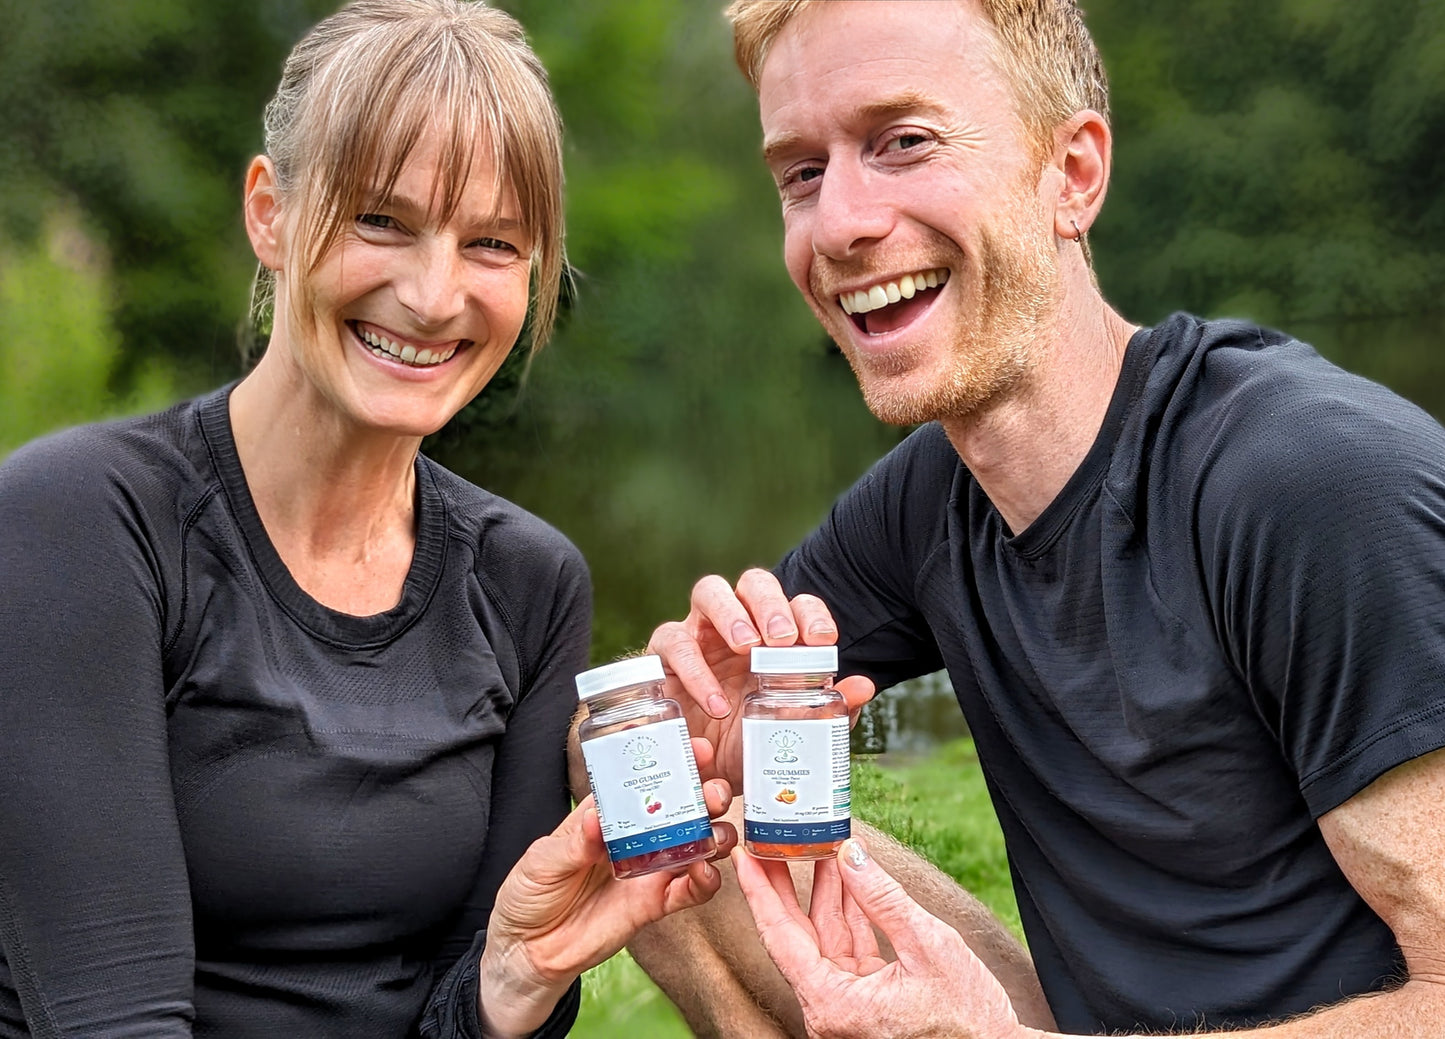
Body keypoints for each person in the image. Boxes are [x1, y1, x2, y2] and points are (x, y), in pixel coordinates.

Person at [636, 0, 1445, 1036]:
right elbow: (691, 741)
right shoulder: (929, 500)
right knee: (628, 763)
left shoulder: (1312, 481)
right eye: (801, 172)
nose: (838, 222)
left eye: (903, 143)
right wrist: (719, 724)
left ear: (1070, 175)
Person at [0, 1, 735, 1036]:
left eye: (491, 242)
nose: (434, 296)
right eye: (381, 221)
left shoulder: (528, 582)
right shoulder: (78, 521)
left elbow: (450, 1021)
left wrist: (508, 983)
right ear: (270, 213)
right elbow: (114, 1021)